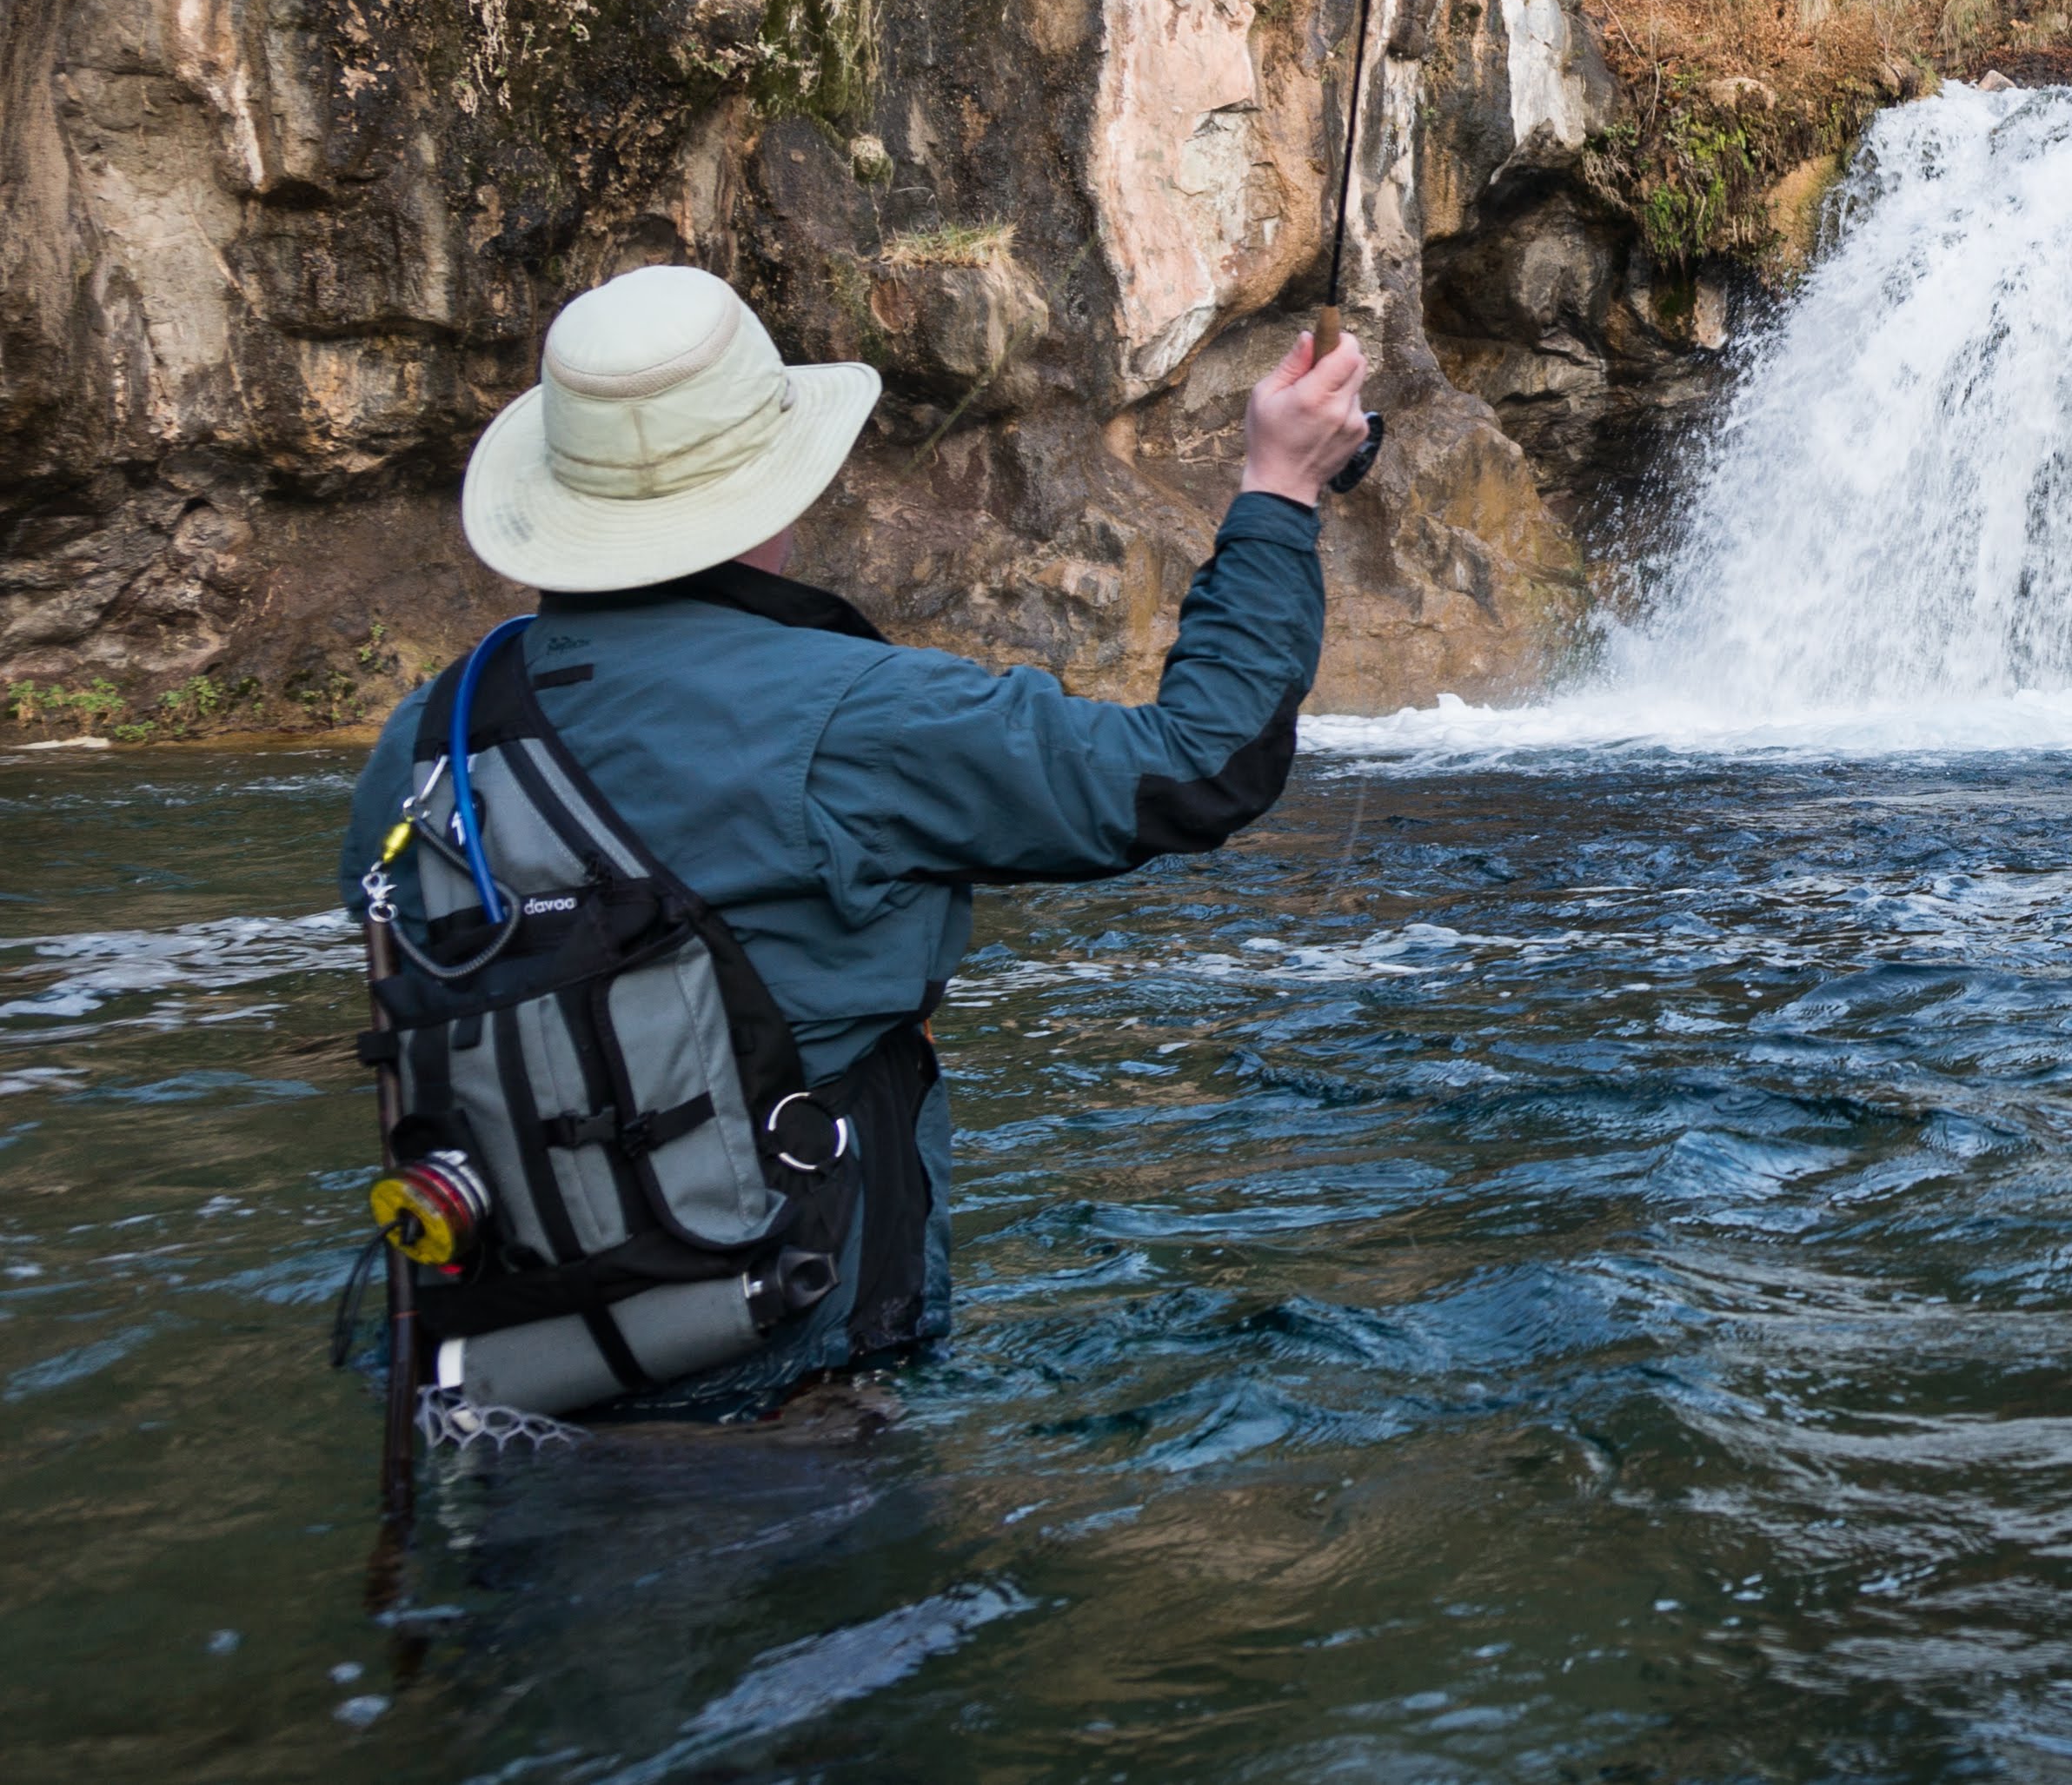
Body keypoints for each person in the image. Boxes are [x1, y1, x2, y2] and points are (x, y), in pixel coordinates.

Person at [335, 262, 1371, 1416]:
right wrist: (1280, 488)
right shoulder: (857, 715)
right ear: (775, 489)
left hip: (504, 1374)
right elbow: (1198, 768)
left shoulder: (429, 733)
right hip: (782, 1379)